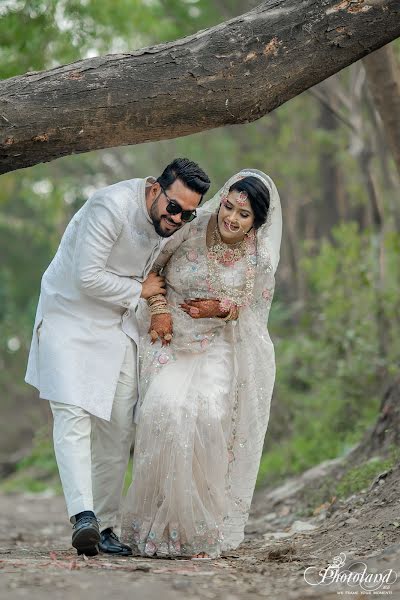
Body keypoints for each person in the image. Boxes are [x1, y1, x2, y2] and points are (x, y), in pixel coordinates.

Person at [25, 158, 210, 557]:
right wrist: (140, 291)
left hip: (115, 323)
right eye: (173, 207)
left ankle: (105, 525)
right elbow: (86, 277)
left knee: (119, 423)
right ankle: (83, 516)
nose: (177, 218)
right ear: (154, 189)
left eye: (187, 213)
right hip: (68, 315)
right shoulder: (108, 207)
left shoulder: (175, 223)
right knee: (73, 413)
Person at [124, 169, 282, 559]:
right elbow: (151, 271)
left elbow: (253, 313)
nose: (230, 218)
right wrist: (159, 311)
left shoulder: (261, 258)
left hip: (219, 346)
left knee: (208, 414)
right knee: (165, 408)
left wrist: (224, 309)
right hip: (169, 338)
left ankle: (196, 528)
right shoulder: (190, 230)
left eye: (243, 216)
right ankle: (155, 524)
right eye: (228, 207)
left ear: (257, 222)